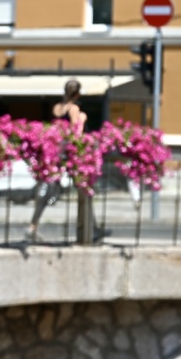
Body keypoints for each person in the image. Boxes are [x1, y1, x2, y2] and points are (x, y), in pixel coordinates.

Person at [25, 79, 110, 243]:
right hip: (70, 155)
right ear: (77, 93)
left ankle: (33, 225)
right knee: (85, 190)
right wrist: (82, 119)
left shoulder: (56, 108)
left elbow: (54, 129)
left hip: (55, 153)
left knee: (48, 191)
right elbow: (74, 133)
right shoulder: (74, 109)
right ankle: (91, 229)